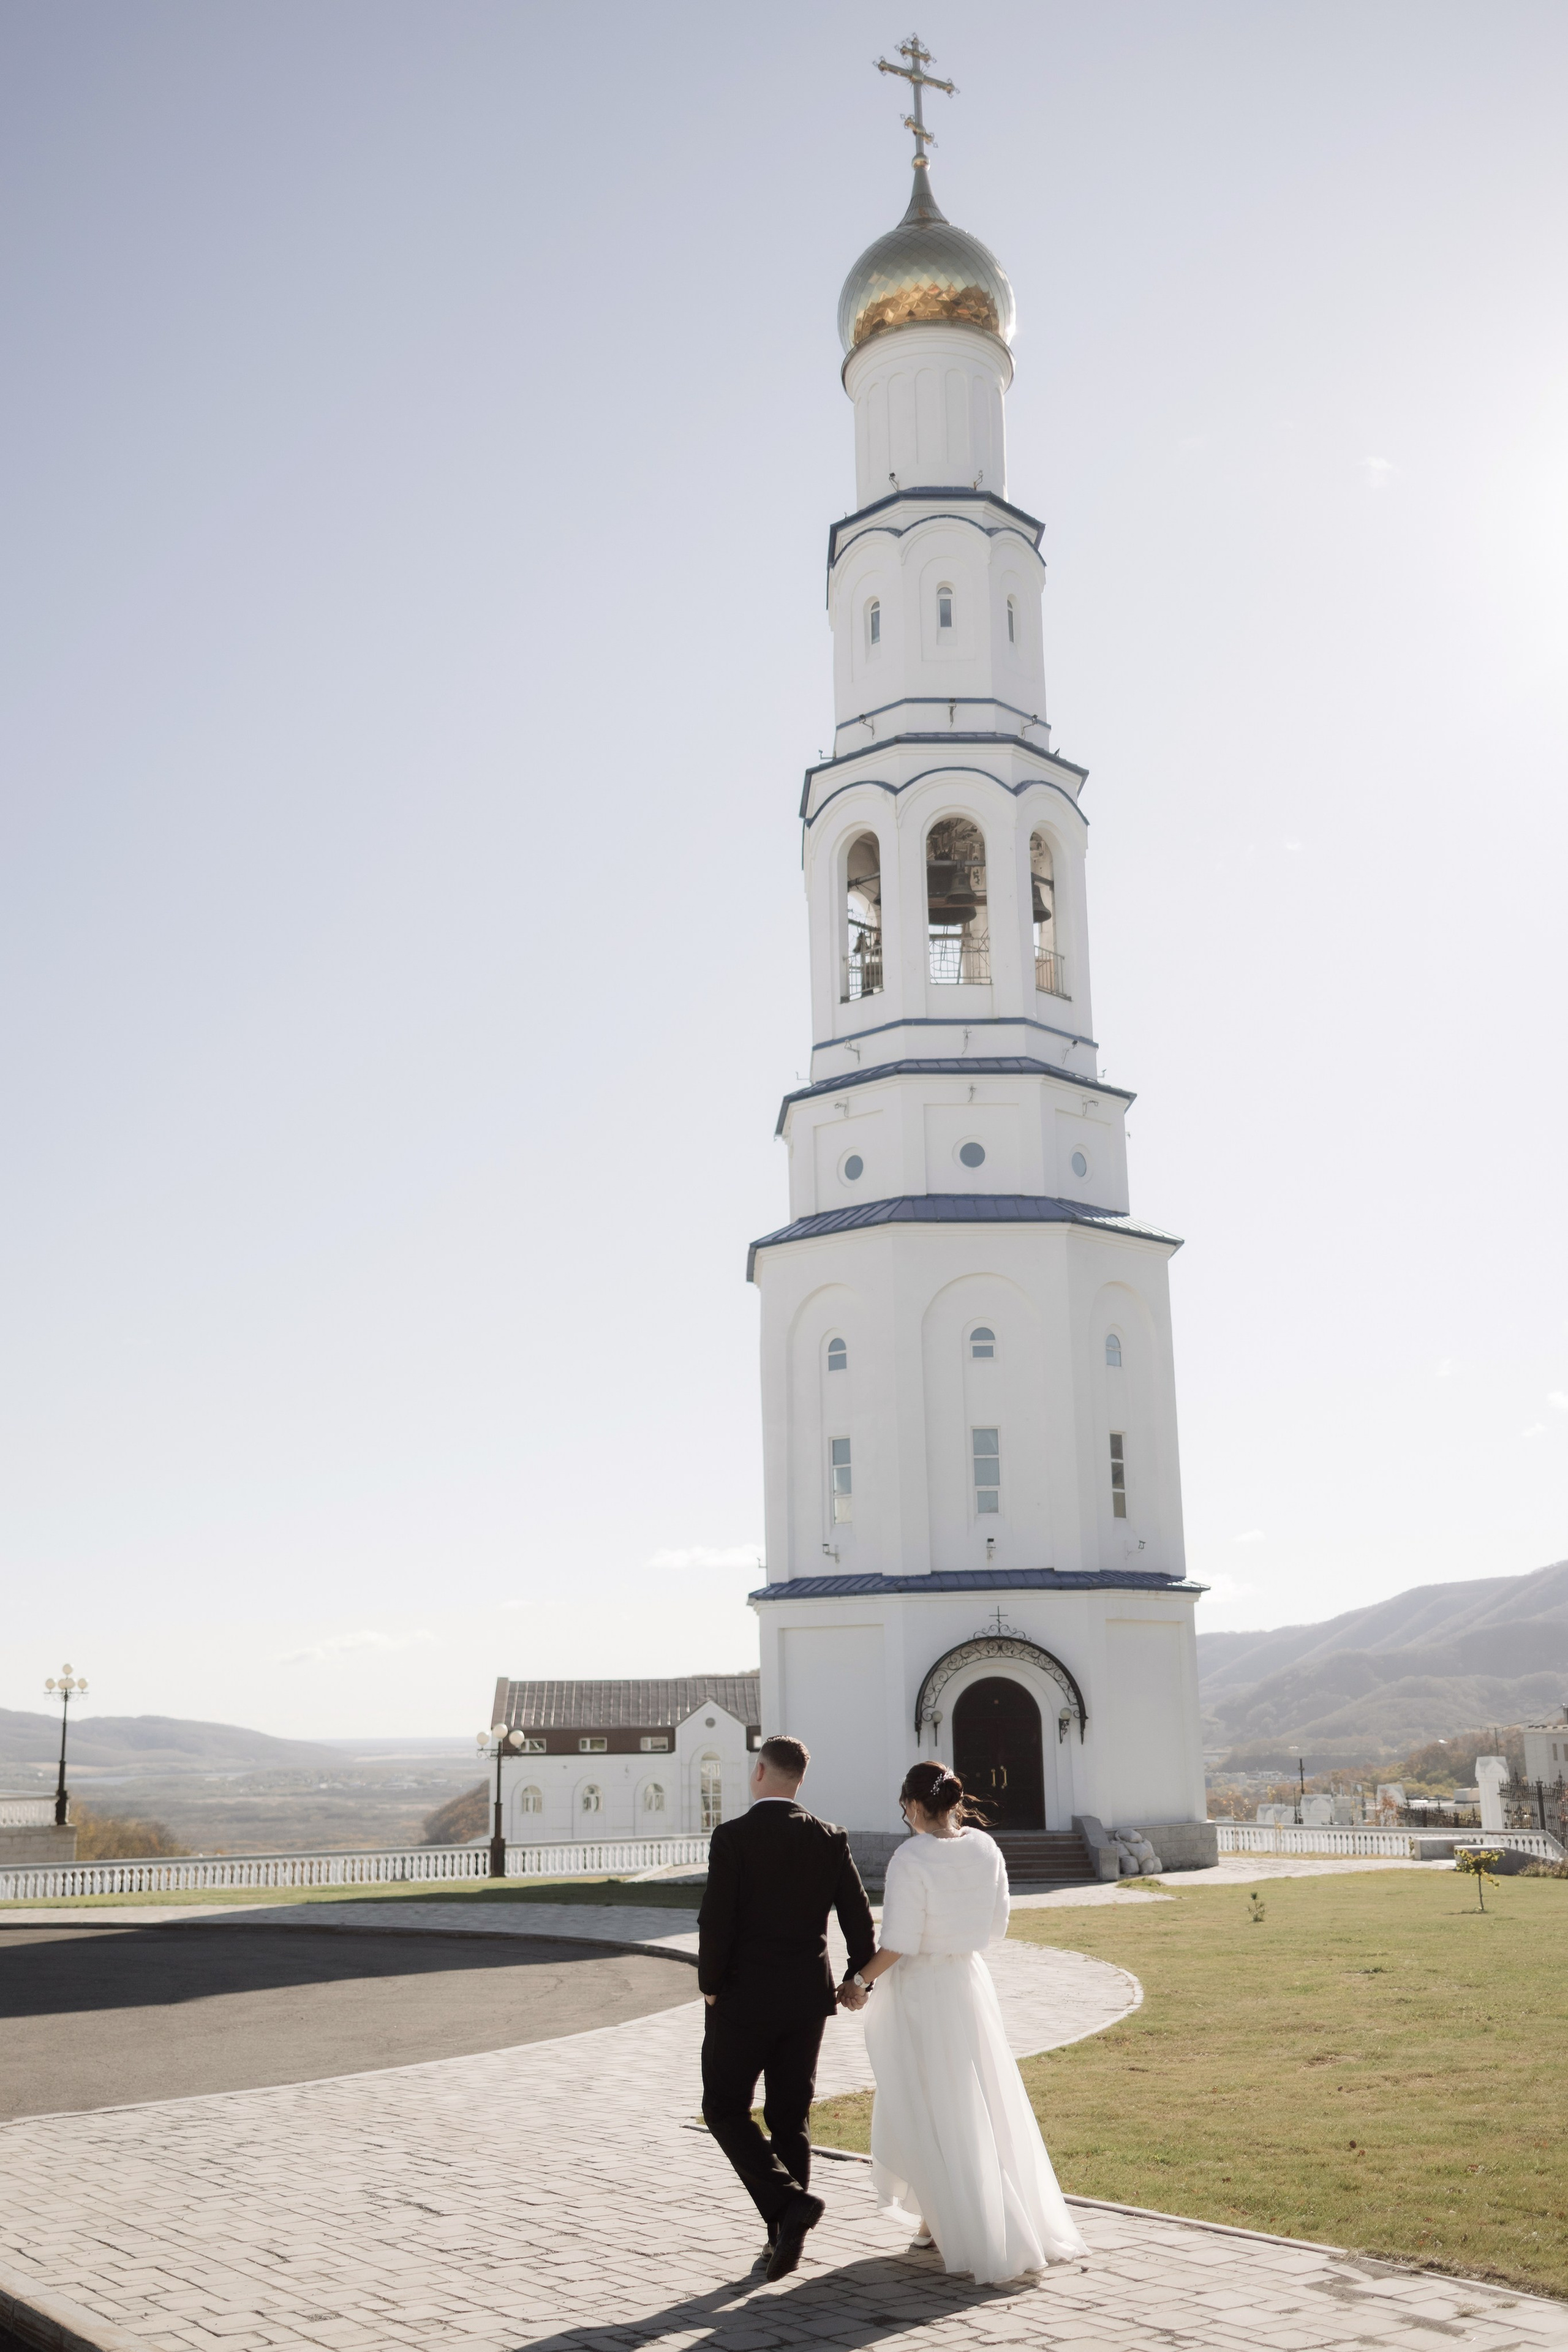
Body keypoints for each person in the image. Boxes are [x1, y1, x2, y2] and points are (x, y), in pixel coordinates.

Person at [850, 1760, 1088, 2285]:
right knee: (977, 2099)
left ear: (912, 1804)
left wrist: (859, 1982)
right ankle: (939, 2217)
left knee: (929, 2101)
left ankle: (949, 2219)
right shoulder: (985, 1847)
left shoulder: (910, 1857)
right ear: (954, 1802)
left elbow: (900, 1942)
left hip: (921, 1991)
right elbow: (997, 1924)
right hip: (969, 1983)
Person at [698, 1734, 876, 2281]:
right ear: (800, 1779)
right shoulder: (829, 1837)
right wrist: (857, 1977)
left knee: (725, 2109)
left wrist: (709, 1984)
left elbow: (717, 1918)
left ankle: (788, 2207)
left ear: (759, 1773)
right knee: (789, 2118)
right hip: (806, 1999)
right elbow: (858, 1914)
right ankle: (782, 2236)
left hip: (743, 1997)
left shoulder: (732, 1837)